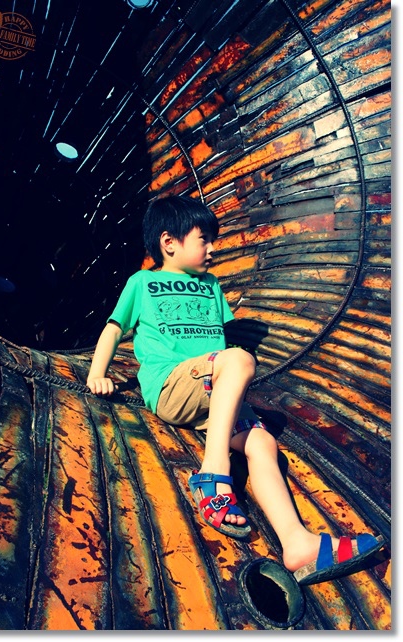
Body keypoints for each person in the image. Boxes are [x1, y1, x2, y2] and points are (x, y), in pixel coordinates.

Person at [87, 194, 384, 585]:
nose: (213, 248)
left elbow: (222, 335)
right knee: (240, 359)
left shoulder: (211, 285)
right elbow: (113, 329)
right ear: (169, 242)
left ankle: (297, 543)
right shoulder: (143, 283)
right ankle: (213, 472)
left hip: (213, 391)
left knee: (262, 443)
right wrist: (98, 373)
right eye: (204, 239)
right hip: (173, 384)